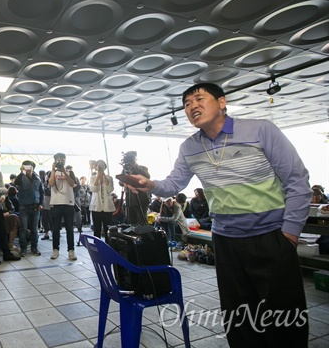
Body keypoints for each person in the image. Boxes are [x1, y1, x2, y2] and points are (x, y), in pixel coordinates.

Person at [130, 82, 311, 347]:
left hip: (271, 236)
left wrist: (290, 235)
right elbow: (174, 183)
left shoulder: (261, 130)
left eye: (199, 99)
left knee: (284, 315)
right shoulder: (189, 147)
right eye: (187, 104)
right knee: (238, 315)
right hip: (226, 240)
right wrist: (150, 184)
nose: (192, 107)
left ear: (222, 102)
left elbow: (297, 181)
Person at [48, 153, 78, 261]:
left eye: (62, 159)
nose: (60, 161)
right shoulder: (52, 172)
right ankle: (55, 250)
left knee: (69, 228)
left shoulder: (70, 172)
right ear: (55, 161)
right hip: (56, 203)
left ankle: (71, 251)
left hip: (68, 203)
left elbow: (72, 184)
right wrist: (53, 169)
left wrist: (64, 171)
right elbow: (51, 183)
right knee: (56, 229)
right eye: (58, 160)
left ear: (65, 160)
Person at [15, 160, 44, 256]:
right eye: (25, 166)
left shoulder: (37, 179)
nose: (28, 168)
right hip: (24, 206)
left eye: (29, 166)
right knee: (23, 228)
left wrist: (40, 203)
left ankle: (34, 247)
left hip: (35, 206)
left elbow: (41, 192)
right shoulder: (21, 177)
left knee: (34, 229)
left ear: (33, 167)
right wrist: (21, 172)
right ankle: (23, 248)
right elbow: (16, 182)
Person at [121, 151, 151, 224]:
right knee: (131, 223)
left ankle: (144, 235)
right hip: (130, 200)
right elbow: (120, 182)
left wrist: (135, 166)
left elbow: (147, 176)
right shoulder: (125, 170)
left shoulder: (143, 168)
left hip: (141, 199)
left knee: (142, 222)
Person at [89, 160, 115, 239]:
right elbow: (93, 189)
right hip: (96, 206)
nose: (100, 167)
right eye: (98, 165)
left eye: (102, 165)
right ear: (96, 167)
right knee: (97, 227)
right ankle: (97, 246)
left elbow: (110, 190)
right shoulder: (92, 178)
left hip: (107, 206)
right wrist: (97, 178)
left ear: (105, 167)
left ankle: (108, 245)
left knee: (107, 228)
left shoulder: (109, 178)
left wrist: (106, 180)